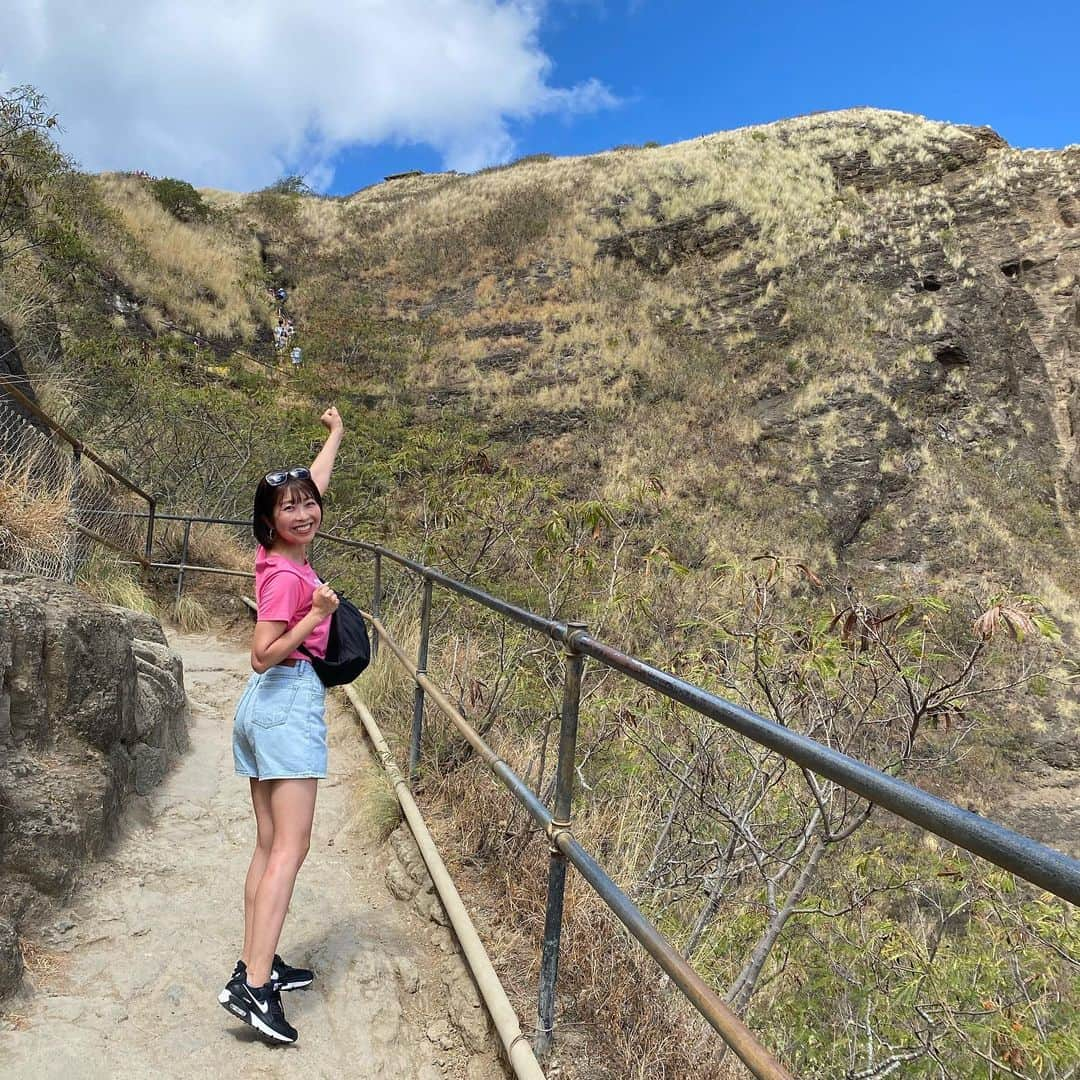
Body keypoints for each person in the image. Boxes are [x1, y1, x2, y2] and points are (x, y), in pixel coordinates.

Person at [217, 406, 345, 1044]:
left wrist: (334, 438)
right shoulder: (289, 576)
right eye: (290, 508)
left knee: (271, 847)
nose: (305, 513)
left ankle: (255, 964)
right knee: (289, 850)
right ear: (270, 521)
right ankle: (256, 989)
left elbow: (311, 487)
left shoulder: (277, 551)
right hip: (286, 697)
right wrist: (316, 614)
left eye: (309, 504)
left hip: (266, 707)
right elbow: (262, 651)